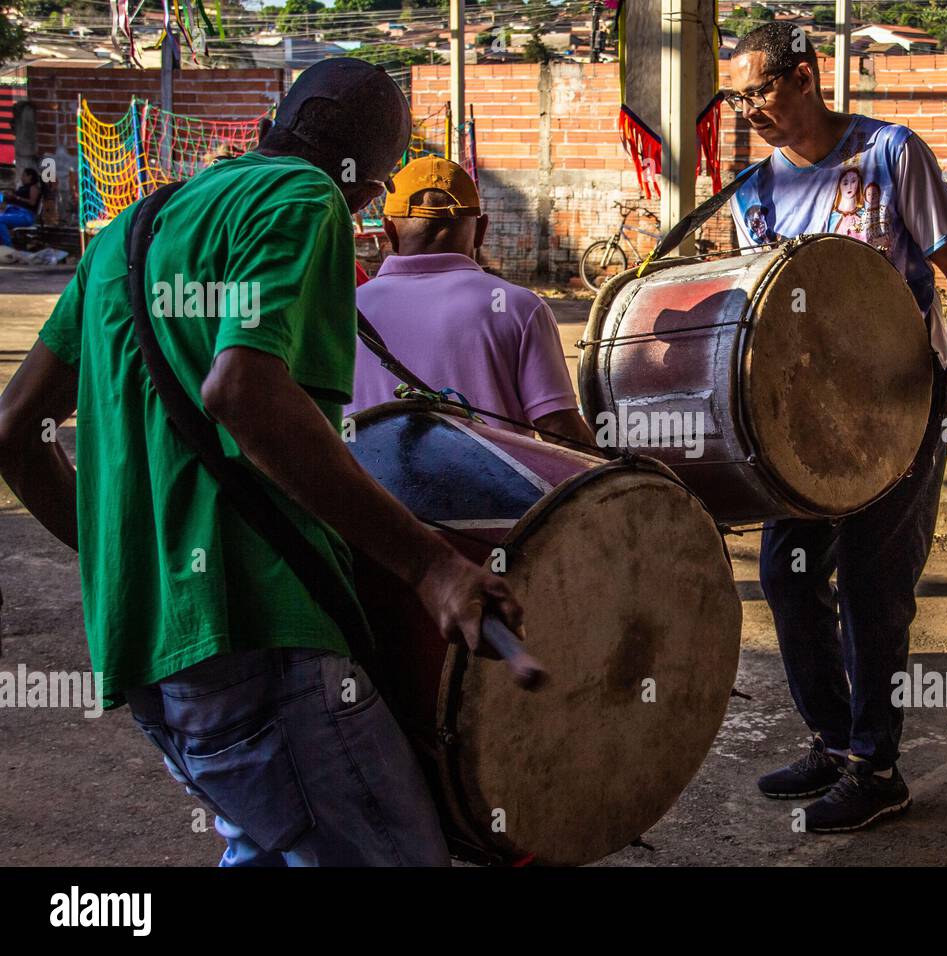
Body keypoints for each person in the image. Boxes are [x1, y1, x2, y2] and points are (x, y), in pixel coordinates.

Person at [0, 58, 523, 867]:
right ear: (366, 178)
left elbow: (14, 427)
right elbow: (243, 391)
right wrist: (431, 566)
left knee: (272, 842)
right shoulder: (302, 199)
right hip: (254, 627)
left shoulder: (133, 232)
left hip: (146, 642)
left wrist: (128, 558)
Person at [724, 21, 947, 833]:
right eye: (736, 97)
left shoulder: (889, 154)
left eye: (757, 91)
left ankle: (876, 768)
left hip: (898, 416)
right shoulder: (752, 193)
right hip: (803, 432)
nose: (747, 110)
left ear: (803, 77)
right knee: (787, 576)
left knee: (875, 595)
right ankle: (835, 738)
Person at [347, 156, 595, 449]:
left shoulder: (346, 308)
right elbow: (559, 430)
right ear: (481, 230)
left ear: (388, 230)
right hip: (501, 494)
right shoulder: (520, 308)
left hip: (368, 491)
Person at [0, 167, 42, 247]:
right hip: (14, 212)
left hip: (25, 215)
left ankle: (8, 247)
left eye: (24, 175)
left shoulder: (33, 187)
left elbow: (32, 202)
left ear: (30, 176)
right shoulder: (21, 188)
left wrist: (17, 197)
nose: (22, 177)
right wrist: (8, 196)